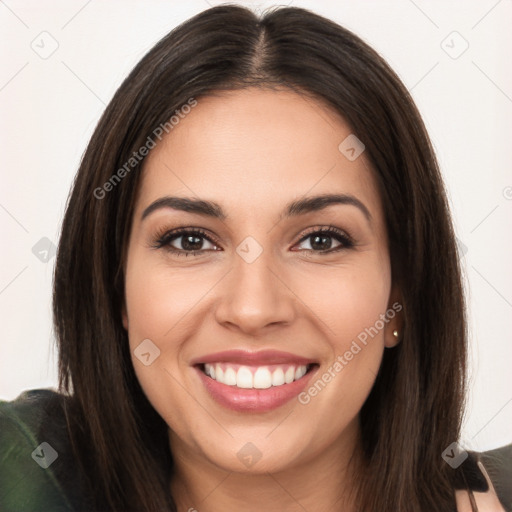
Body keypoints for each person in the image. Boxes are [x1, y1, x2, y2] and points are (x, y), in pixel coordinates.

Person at [0, 5, 510, 512]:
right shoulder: (24, 476)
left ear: (400, 293)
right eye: (191, 241)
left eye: (321, 241)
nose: (252, 309)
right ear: (118, 287)